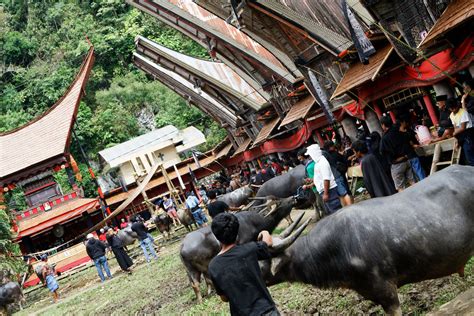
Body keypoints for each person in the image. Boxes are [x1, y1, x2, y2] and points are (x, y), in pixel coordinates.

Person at [208, 213, 279, 316]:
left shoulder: (213, 266)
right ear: (237, 232)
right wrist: (264, 232)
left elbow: (224, 298)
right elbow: (268, 241)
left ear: (216, 237)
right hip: (266, 310)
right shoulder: (251, 249)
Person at [380, 116, 415, 192]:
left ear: (383, 125)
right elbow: (408, 139)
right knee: (412, 182)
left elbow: (383, 152)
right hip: (406, 160)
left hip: (397, 164)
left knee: (401, 187)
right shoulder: (399, 131)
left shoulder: (385, 138)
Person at [304, 144, 342, 214]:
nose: (310, 157)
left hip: (329, 191)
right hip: (325, 191)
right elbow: (321, 177)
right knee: (331, 212)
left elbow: (326, 179)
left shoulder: (322, 162)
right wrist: (312, 181)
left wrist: (326, 193)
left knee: (336, 212)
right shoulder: (317, 163)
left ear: (314, 153)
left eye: (310, 155)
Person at [323, 141, 352, 206]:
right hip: (339, 174)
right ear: (330, 147)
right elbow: (345, 161)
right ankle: (350, 206)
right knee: (345, 193)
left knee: (342, 194)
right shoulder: (335, 154)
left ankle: (349, 207)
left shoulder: (326, 156)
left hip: (335, 177)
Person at [447, 97, 474, 166]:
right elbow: (455, 127)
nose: (453, 110)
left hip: (468, 134)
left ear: (457, 106)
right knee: (467, 158)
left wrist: (454, 133)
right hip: (460, 136)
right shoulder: (451, 115)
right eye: (451, 108)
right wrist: (456, 140)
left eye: (454, 108)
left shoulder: (463, 112)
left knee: (470, 158)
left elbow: (463, 127)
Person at [398, 115, 425, 181]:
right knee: (418, 170)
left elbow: (415, 136)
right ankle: (424, 182)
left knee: (416, 172)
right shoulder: (403, 134)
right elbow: (411, 143)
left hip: (407, 156)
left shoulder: (405, 131)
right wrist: (414, 145)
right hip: (411, 155)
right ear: (402, 123)